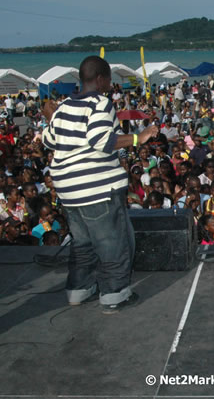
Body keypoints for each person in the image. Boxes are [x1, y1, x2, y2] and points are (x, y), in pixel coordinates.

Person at [42, 55, 159, 314]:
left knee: (82, 242)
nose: (109, 85)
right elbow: (101, 141)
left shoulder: (63, 107)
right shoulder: (100, 103)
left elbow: (49, 140)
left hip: (67, 190)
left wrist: (51, 117)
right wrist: (140, 137)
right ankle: (115, 294)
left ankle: (78, 290)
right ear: (100, 79)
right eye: (108, 80)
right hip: (96, 187)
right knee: (113, 241)